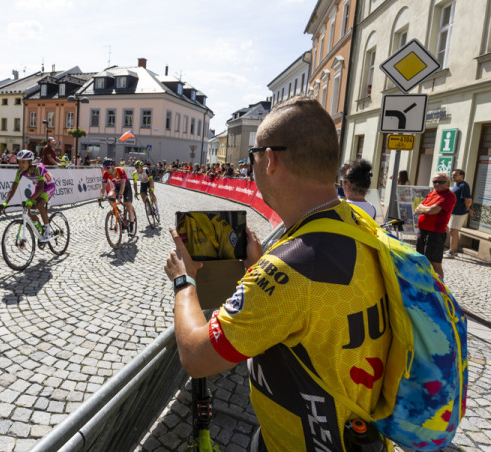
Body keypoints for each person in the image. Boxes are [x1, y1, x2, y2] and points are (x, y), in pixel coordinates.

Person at [164, 96, 391, 451]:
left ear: (269, 160)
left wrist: (184, 281)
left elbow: (196, 357)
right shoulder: (359, 225)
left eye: (252, 156)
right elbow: (307, 313)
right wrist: (258, 269)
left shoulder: (288, 269)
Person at [0, 150, 56, 242]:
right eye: (19, 161)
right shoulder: (20, 172)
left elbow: (41, 189)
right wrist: (5, 202)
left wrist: (30, 199)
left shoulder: (38, 168)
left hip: (49, 185)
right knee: (28, 207)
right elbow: (13, 189)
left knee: (40, 204)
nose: (20, 164)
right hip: (39, 187)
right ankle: (40, 229)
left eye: (23, 162)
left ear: (30, 162)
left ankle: (48, 231)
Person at [414, 172, 455, 277]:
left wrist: (425, 208)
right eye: (435, 181)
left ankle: (441, 288)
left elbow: (433, 210)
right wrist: (426, 209)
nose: (437, 184)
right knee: (421, 259)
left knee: (434, 262)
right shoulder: (432, 193)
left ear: (448, 183)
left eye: (441, 182)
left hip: (435, 232)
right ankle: (424, 284)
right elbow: (417, 208)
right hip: (422, 229)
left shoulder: (449, 196)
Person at [99, 157, 137, 236]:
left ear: (113, 166)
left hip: (126, 187)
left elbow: (123, 183)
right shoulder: (105, 174)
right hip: (117, 187)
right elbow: (103, 187)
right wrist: (101, 196)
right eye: (105, 167)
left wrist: (120, 195)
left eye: (108, 167)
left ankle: (132, 227)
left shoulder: (120, 170)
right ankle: (119, 212)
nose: (106, 169)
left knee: (128, 205)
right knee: (110, 196)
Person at [446, 169, 473, 258]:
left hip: (459, 212)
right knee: (453, 230)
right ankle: (453, 250)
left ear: (462, 176)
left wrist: (468, 208)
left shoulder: (464, 185)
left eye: (455, 175)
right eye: (452, 175)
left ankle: (452, 252)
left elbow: (468, 199)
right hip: (454, 211)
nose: (453, 176)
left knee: (453, 230)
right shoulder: (457, 185)